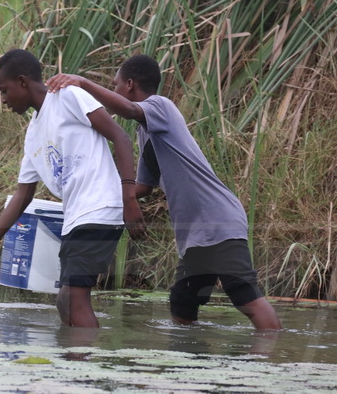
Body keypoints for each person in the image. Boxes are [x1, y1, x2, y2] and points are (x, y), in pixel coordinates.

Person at [46, 54, 282, 330]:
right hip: (196, 233)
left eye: (116, 85)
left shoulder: (160, 107)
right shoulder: (146, 132)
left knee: (245, 297)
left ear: (130, 85)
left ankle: (274, 356)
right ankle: (192, 361)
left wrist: (83, 82)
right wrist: (103, 194)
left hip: (217, 220)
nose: (114, 91)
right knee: (182, 304)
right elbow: (144, 185)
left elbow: (129, 110)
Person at [0, 49, 145, 328]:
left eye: (4, 90)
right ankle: (76, 364)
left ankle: (82, 363)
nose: (2, 100)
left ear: (23, 81)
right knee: (65, 302)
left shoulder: (68, 97)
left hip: (99, 209)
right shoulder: (33, 134)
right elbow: (23, 194)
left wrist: (129, 198)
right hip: (76, 219)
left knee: (74, 301)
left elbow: (120, 137)